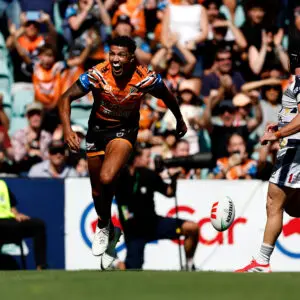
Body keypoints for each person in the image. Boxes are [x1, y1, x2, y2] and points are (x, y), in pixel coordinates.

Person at [57, 36, 187, 270]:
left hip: (124, 132)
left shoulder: (146, 78)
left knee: (107, 178)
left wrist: (179, 119)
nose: (115, 60)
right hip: (96, 133)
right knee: (97, 191)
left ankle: (107, 227)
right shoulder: (96, 74)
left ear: (131, 57)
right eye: (112, 54)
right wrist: (67, 129)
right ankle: (107, 227)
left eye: (121, 55)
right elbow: (65, 98)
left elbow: (167, 96)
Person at [236, 32, 300, 272]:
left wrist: (279, 134)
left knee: (274, 201)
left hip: (295, 150)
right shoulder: (295, 83)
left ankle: (262, 262)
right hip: (293, 148)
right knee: (293, 207)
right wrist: (280, 125)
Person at [115, 147, 199, 270]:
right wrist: (128, 224)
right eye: (147, 157)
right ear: (136, 159)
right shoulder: (120, 177)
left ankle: (190, 265)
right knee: (132, 269)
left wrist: (174, 179)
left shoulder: (149, 175)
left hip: (154, 224)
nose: (150, 160)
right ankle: (116, 263)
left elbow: (169, 192)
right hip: (134, 231)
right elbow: (122, 207)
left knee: (192, 228)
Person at [0, 180, 47, 270]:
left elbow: (11, 206)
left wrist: (17, 214)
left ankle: (41, 267)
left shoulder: (2, 184)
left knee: (38, 224)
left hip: (7, 222)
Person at [12, 102, 52, 173]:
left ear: (42, 116)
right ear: (27, 117)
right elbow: (17, 158)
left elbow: (49, 159)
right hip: (22, 172)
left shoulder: (47, 136)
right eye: (32, 114)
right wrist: (27, 145)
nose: (35, 117)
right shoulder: (19, 135)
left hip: (42, 172)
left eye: (38, 114)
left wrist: (38, 153)